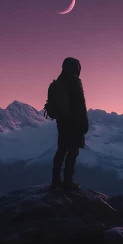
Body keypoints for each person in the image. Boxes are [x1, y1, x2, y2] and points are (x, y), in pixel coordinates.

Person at [51, 57, 89, 190]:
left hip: (62, 121)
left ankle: (55, 179)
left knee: (61, 149)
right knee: (73, 151)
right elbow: (80, 103)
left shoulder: (60, 80)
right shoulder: (75, 81)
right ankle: (68, 181)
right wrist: (84, 124)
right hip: (74, 122)